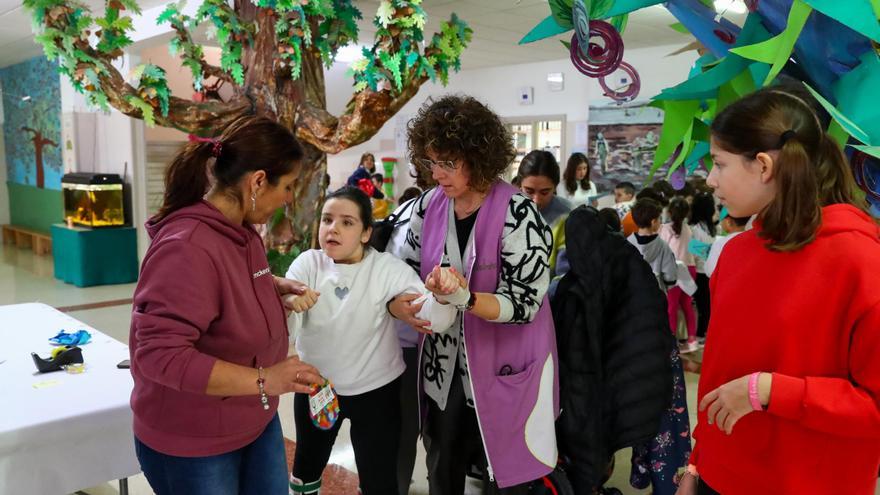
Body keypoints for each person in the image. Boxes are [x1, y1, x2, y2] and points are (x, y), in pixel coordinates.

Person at [677, 87, 880, 495]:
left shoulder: (861, 260)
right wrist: (697, 465)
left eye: (718, 164)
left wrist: (772, 391)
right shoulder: (735, 254)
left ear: (764, 165)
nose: (711, 181)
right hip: (721, 476)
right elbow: (720, 373)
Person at [129, 116, 323, 495]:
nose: (288, 198)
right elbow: (160, 355)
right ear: (258, 181)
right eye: (287, 186)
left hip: (252, 418)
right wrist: (269, 379)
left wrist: (269, 288)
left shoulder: (243, 233)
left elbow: (220, 292)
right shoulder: (187, 246)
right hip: (194, 440)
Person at [390, 94, 558, 494]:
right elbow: (402, 270)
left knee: (509, 474)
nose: (437, 174)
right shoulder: (427, 206)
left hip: (506, 368)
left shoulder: (520, 214)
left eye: (449, 163)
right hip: (445, 368)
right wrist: (401, 305)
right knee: (443, 463)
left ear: (478, 157)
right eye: (432, 162)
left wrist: (466, 299)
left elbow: (525, 302)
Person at [284, 187, 457, 495]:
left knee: (379, 478)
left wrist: (442, 296)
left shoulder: (385, 268)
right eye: (327, 220)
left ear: (366, 233)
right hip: (317, 388)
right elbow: (285, 331)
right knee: (306, 469)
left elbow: (434, 319)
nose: (333, 228)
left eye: (347, 222)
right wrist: (288, 305)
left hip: (376, 392)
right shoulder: (307, 265)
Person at [517, 150, 572, 281]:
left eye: (545, 192)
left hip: (550, 295)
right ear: (519, 186)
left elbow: (564, 274)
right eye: (529, 191)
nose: (536, 200)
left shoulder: (567, 214)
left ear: (555, 187)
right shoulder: (506, 210)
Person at [659, 197, 698, 353]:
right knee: (687, 305)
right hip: (689, 268)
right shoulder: (689, 229)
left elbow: (663, 251)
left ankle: (671, 340)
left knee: (672, 306)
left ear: (669, 211)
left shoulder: (664, 229)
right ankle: (692, 340)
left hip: (673, 269)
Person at [628, 198, 677, 291]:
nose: (661, 221)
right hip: (656, 292)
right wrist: (668, 285)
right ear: (653, 222)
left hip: (633, 293)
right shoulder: (662, 245)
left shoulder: (627, 243)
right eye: (659, 218)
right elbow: (670, 274)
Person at [687, 192, 717, 343]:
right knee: (704, 306)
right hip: (704, 271)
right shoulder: (703, 228)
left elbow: (694, 250)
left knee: (704, 306)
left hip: (704, 271)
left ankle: (702, 333)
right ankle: (702, 333)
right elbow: (695, 249)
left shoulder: (700, 228)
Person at [703, 209, 748, 277]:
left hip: (726, 284)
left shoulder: (720, 243)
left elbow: (710, 271)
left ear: (728, 222)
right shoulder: (754, 240)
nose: (720, 223)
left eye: (721, 220)